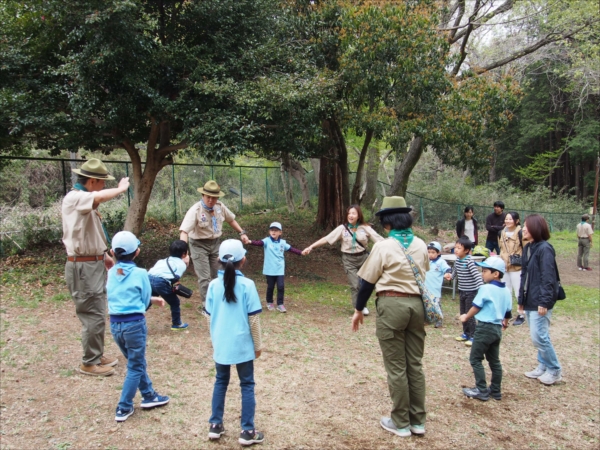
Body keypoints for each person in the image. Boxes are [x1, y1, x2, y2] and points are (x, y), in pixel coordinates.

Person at [351, 196, 429, 438]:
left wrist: (358, 309)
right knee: (414, 365)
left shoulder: (384, 246)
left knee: (396, 368)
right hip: (417, 306)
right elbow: (424, 274)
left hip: (392, 305)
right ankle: (418, 422)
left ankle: (400, 423)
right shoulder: (421, 244)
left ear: (387, 223)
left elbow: (366, 282)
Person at [62, 158, 129, 376]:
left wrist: (103, 256)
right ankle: (89, 363)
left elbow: (88, 232)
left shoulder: (85, 201)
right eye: (101, 182)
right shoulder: (75, 198)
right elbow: (99, 196)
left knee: (98, 311)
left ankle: (96, 354)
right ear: (92, 182)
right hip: (82, 268)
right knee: (92, 313)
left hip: (92, 263)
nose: (102, 187)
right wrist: (121, 189)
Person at [205, 239, 264, 446]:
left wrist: (215, 341)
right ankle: (247, 431)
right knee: (246, 384)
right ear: (243, 260)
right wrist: (258, 346)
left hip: (221, 344)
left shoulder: (212, 285)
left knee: (220, 382)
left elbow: (208, 317)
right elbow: (254, 320)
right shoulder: (248, 285)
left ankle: (215, 425)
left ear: (219, 261)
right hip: (242, 346)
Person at [107, 231, 170, 422]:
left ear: (112, 252)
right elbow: (143, 300)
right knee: (135, 366)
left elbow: (119, 295)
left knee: (136, 362)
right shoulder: (141, 273)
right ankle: (124, 407)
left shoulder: (110, 272)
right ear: (137, 252)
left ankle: (149, 395)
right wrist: (149, 302)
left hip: (115, 325)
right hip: (134, 324)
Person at [179, 180, 249, 309]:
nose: (211, 200)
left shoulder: (220, 207)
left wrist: (242, 233)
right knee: (204, 277)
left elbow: (231, 219)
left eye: (214, 197)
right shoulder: (195, 210)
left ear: (218, 197)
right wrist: (184, 253)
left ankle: (223, 298)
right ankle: (207, 305)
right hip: (199, 244)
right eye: (208, 197)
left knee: (221, 272)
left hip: (216, 243)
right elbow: (184, 232)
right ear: (203, 196)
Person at [302, 204, 383, 315]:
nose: (350, 215)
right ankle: (359, 308)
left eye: (353, 213)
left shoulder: (365, 227)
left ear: (358, 215)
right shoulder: (342, 228)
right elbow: (326, 238)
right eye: (349, 213)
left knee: (366, 284)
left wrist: (396, 246)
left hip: (364, 258)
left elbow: (379, 240)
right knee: (355, 285)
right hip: (349, 260)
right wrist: (311, 247)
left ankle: (363, 304)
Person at [460, 257, 512, 401]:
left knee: (475, 358)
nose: (482, 273)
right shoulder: (506, 290)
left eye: (485, 271)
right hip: (497, 328)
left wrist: (465, 317)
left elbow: (476, 306)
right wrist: (505, 324)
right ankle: (496, 390)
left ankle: (481, 390)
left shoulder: (486, 288)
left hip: (484, 328)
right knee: (494, 361)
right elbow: (508, 312)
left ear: (496, 274)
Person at [519, 214, 563, 385]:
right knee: (538, 336)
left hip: (540, 300)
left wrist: (544, 302)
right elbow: (525, 276)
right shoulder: (528, 248)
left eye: (526, 226)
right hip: (530, 299)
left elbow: (548, 277)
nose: (523, 229)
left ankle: (555, 369)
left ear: (536, 228)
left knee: (539, 336)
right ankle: (543, 365)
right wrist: (521, 299)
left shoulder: (545, 248)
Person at [248, 222, 303, 313]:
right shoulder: (266, 241)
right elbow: (258, 243)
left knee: (281, 286)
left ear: (280, 232)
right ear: (269, 231)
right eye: (272, 230)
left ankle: (280, 304)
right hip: (269, 269)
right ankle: (269, 302)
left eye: (276, 230)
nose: (273, 232)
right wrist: (249, 241)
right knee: (270, 286)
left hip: (279, 269)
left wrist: (301, 253)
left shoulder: (283, 243)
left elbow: (291, 249)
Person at [444, 236, 483, 347]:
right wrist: (450, 276)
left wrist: (481, 289)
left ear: (466, 250)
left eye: (459, 248)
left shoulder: (469, 261)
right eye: (455, 247)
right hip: (462, 291)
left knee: (469, 314)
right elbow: (454, 273)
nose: (456, 250)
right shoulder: (457, 261)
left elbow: (477, 276)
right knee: (462, 313)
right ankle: (466, 333)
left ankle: (473, 335)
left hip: (471, 292)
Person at [147, 240, 191, 330]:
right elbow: (175, 279)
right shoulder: (181, 264)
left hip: (148, 278)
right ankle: (177, 324)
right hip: (160, 282)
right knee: (175, 302)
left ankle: (134, 316)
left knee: (149, 299)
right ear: (184, 254)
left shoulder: (162, 260)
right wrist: (186, 263)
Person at [498, 211, 529, 326]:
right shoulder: (501, 233)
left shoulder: (521, 232)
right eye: (506, 219)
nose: (508, 221)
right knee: (506, 291)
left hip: (517, 267)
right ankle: (507, 313)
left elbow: (526, 248)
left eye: (510, 219)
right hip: (504, 267)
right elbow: (500, 248)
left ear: (516, 221)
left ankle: (522, 314)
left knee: (519, 291)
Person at [424, 241, 451, 328]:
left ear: (438, 252)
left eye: (433, 252)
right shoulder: (425, 261)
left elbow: (447, 269)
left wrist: (448, 273)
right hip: (425, 287)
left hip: (435, 287)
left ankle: (439, 320)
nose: (430, 254)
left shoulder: (441, 262)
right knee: (425, 303)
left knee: (436, 304)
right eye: (428, 252)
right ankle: (427, 319)